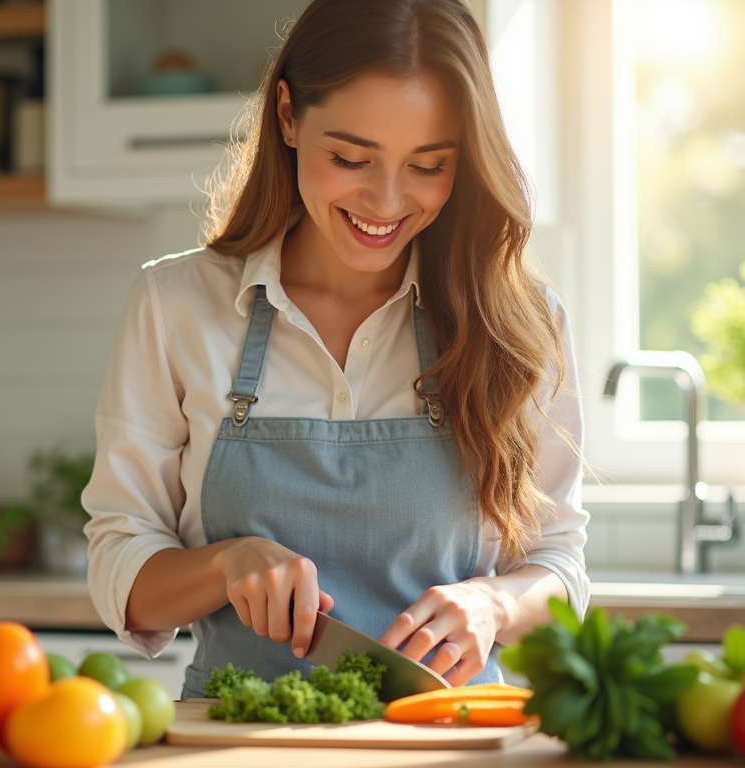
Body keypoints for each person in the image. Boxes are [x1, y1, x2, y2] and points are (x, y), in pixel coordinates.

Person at [82, 0, 589, 700]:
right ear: (287, 114)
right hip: (241, 742)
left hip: (450, 741)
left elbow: (559, 562)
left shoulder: (522, 324)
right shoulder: (174, 306)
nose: (386, 201)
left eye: (428, 165)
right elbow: (120, 567)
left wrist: (496, 604)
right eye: (351, 158)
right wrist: (228, 563)